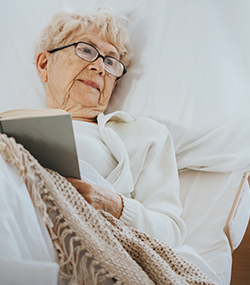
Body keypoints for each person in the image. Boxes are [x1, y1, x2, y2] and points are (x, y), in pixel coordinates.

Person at [32, 8, 186, 247]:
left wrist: (114, 205)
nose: (100, 67)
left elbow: (171, 233)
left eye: (111, 61)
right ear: (44, 64)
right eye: (85, 50)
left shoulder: (145, 136)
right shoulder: (10, 128)